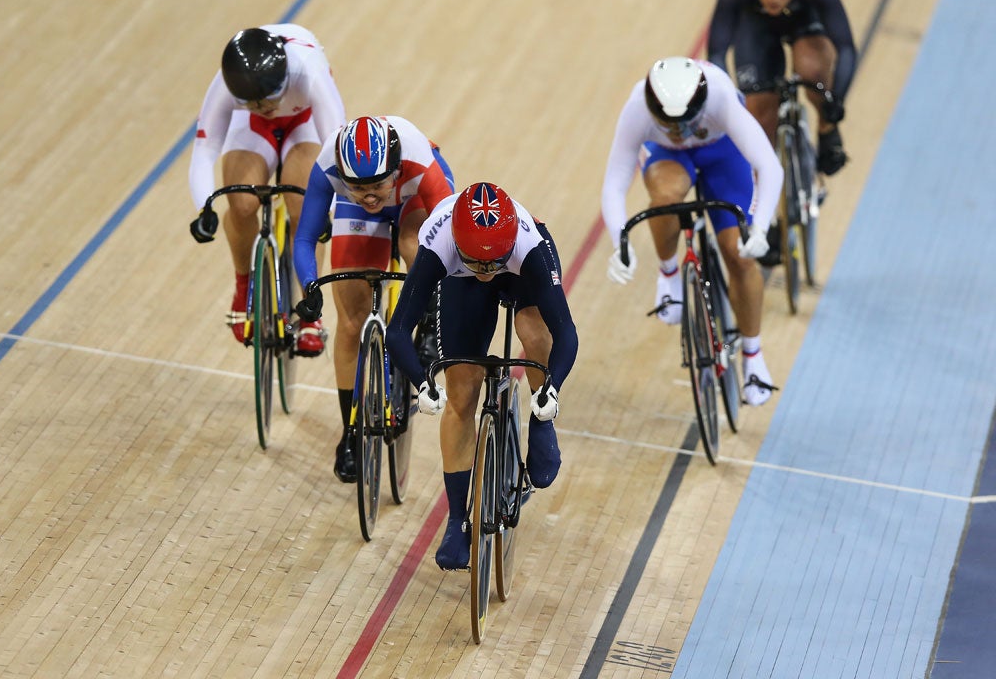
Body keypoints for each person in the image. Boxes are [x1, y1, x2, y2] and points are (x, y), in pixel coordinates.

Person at [384, 182, 578, 570]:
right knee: (461, 393)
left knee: (535, 332)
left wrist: (551, 389)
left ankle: (542, 422)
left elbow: (566, 333)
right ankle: (457, 520)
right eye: (479, 262)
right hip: (460, 280)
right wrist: (422, 382)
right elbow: (398, 331)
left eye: (494, 262)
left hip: (519, 272)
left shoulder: (529, 246)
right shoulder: (438, 243)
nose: (488, 270)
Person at [602, 56, 782, 407]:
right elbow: (614, 184)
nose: (678, 131)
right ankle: (669, 276)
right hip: (670, 160)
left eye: (684, 122)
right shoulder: (638, 105)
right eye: (667, 123)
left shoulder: (720, 98)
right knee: (665, 197)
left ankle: (753, 357)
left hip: (723, 154)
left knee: (740, 255)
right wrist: (619, 242)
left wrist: (758, 229)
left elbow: (769, 168)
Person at [293, 115, 455, 483]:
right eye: (356, 187)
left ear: (394, 170)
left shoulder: (417, 161)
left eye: (376, 186)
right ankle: (351, 431)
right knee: (351, 324)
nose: (367, 196)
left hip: (414, 197)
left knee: (413, 243)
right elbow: (304, 239)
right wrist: (309, 287)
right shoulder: (327, 167)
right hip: (369, 212)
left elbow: (450, 240)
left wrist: (445, 303)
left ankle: (429, 320)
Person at [187, 24, 346, 356]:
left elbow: (336, 147)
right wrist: (205, 209)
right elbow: (204, 151)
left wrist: (328, 210)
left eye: (271, 99)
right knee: (242, 204)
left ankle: (309, 313)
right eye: (253, 102)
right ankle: (244, 284)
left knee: (306, 211)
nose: (265, 107)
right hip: (251, 130)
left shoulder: (309, 72)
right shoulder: (226, 86)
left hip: (303, 122)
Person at [707, 0, 856, 177]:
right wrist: (730, 102)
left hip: (803, 21)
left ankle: (826, 130)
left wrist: (836, 102)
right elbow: (716, 53)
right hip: (756, 28)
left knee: (813, 72)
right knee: (759, 116)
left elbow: (846, 49)